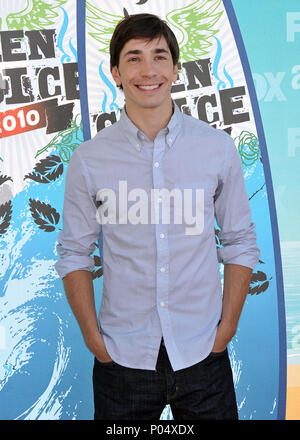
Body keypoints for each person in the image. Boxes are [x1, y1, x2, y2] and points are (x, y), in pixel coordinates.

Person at [55, 13, 260, 420]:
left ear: (175, 69)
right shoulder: (89, 159)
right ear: (115, 72)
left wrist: (226, 331)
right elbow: (74, 252)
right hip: (123, 361)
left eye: (159, 56)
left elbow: (240, 241)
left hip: (204, 355)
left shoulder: (217, 148)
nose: (148, 71)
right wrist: (95, 340)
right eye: (133, 58)